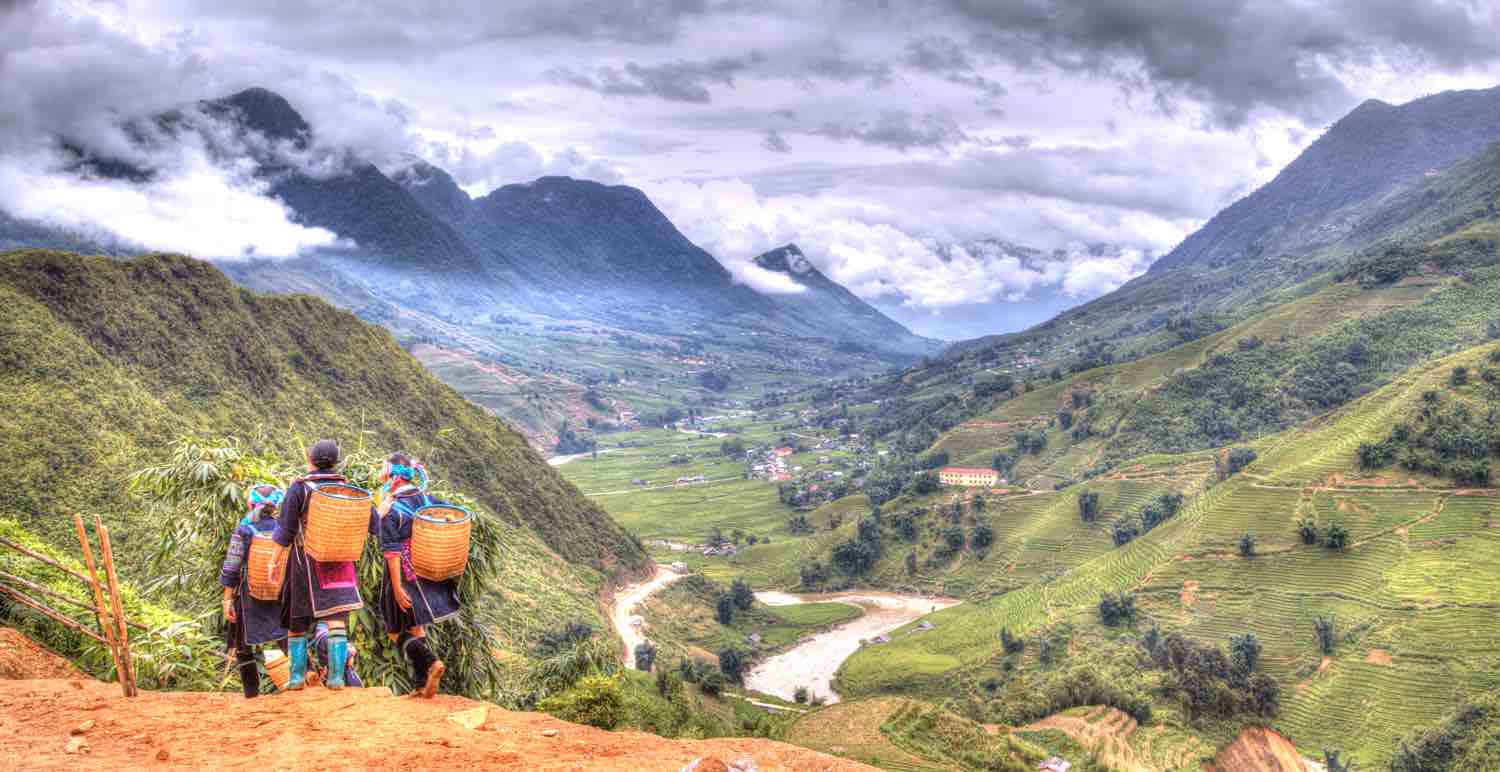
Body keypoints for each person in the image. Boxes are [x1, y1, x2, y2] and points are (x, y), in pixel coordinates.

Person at [271, 439, 377, 690]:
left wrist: (273, 562)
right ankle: (337, 678)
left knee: (297, 623)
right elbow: (373, 524)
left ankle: (296, 678)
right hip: (340, 563)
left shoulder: (300, 488)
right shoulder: (350, 490)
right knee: (336, 621)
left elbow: (285, 530)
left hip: (304, 564)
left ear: (310, 460)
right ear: (335, 462)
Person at [377, 452, 460, 698]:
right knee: (416, 627)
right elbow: (453, 516)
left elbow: (391, 552)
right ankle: (420, 685)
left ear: (392, 477)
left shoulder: (391, 509)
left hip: (403, 573)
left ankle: (431, 661)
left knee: (394, 630)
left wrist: (396, 587)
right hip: (425, 567)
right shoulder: (427, 499)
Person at [219, 484, 289, 698]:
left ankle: (251, 692)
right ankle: (305, 680)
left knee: (242, 643)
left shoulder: (244, 529)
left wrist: (227, 601)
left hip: (250, 596)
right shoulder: (284, 529)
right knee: (288, 638)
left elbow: (232, 567)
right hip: (280, 594)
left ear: (251, 503)